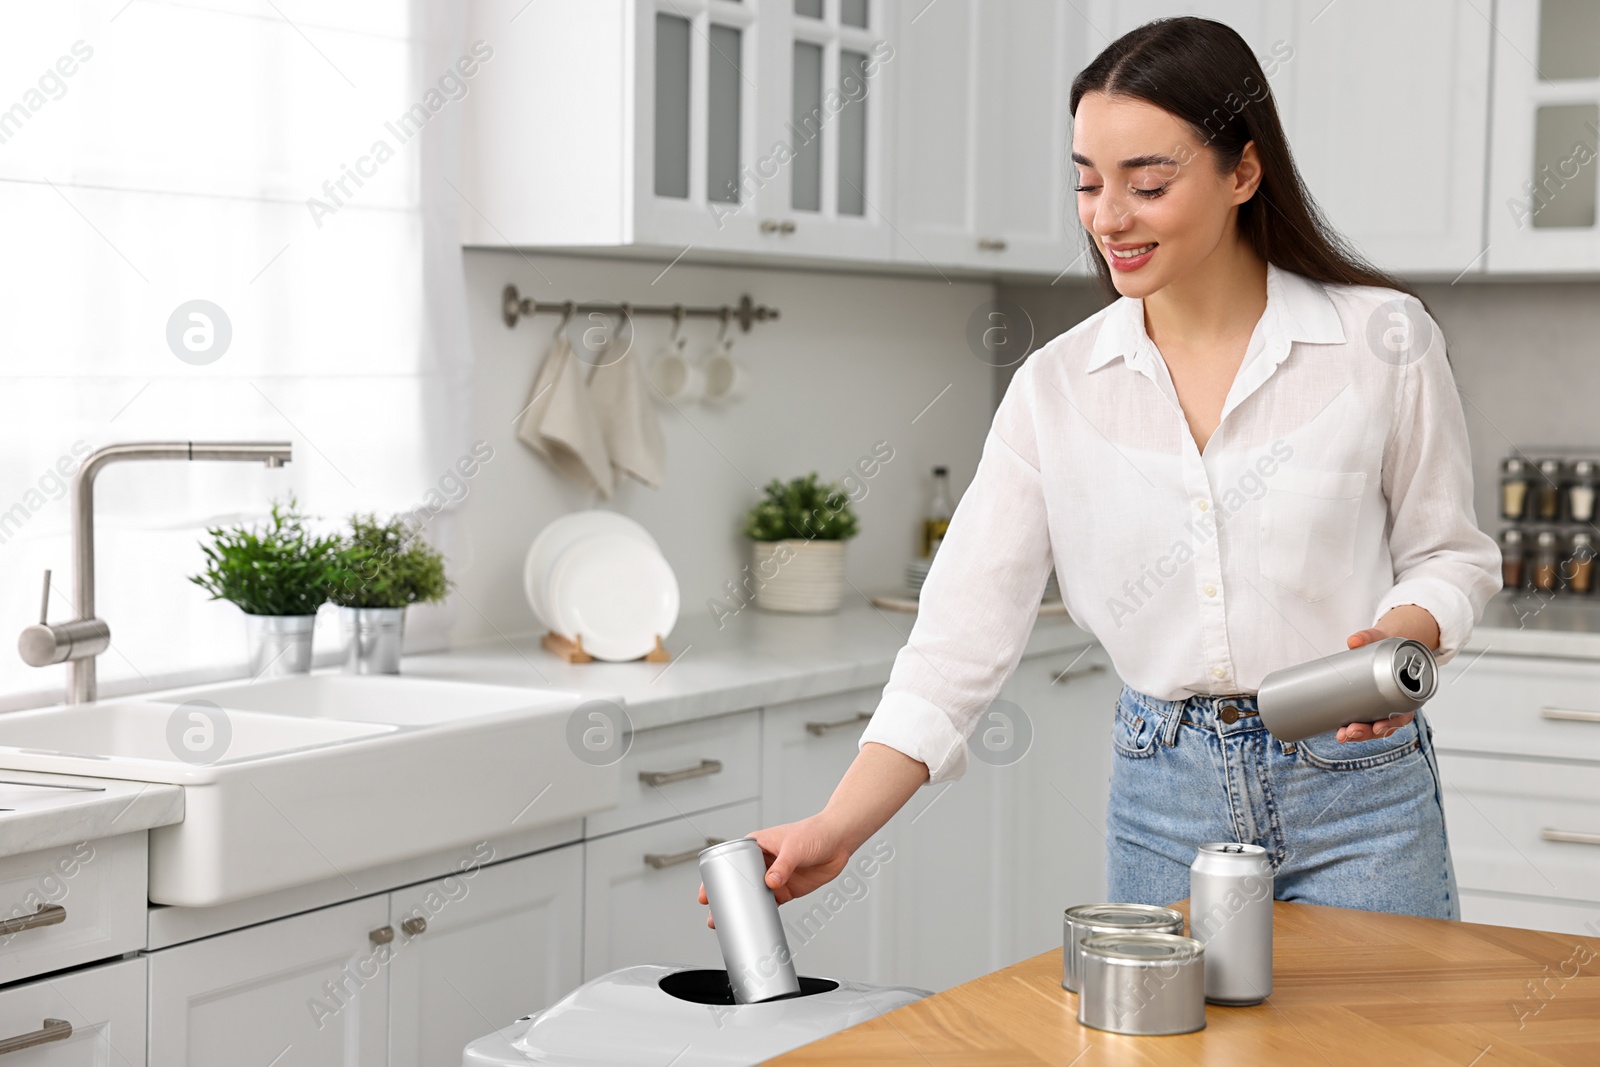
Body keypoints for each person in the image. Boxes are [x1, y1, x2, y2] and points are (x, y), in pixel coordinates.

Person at [699, 16, 1500, 926]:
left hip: (1357, 786)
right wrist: (838, 826)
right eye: (1087, 183)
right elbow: (957, 639)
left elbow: (1454, 555)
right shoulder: (1057, 388)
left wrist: (1407, 631)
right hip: (1165, 797)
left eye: (1147, 184)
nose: (1108, 218)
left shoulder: (1380, 339)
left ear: (1243, 171)